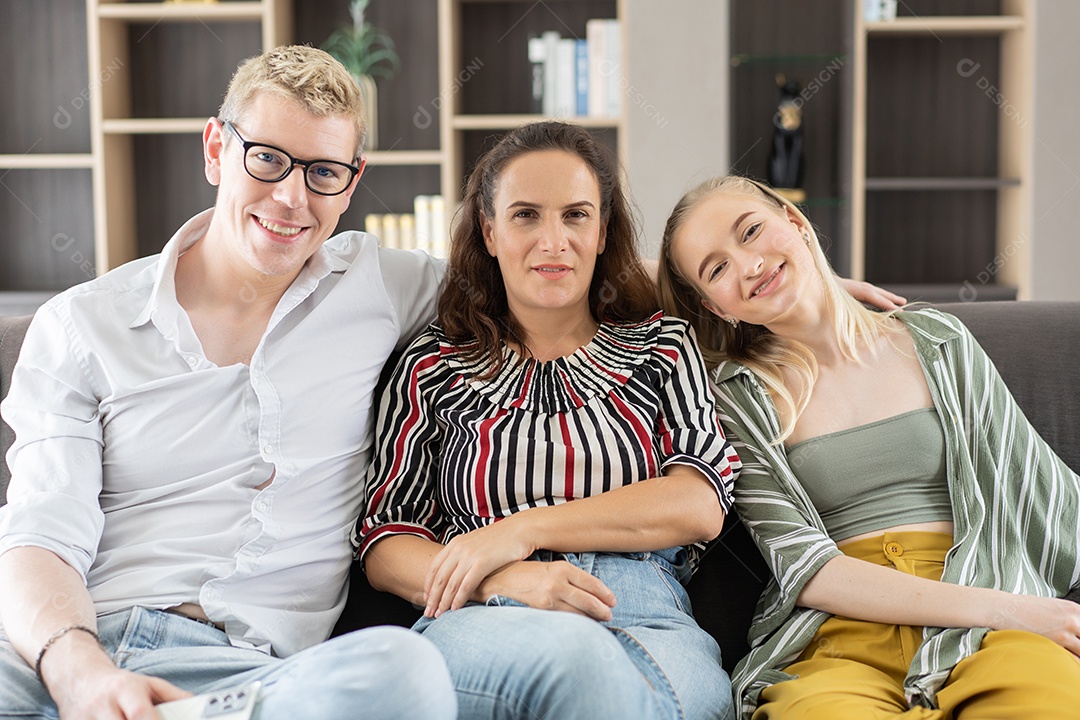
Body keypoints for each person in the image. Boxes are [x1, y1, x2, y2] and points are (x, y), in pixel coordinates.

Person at [0, 46, 456, 719]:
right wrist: (83, 675)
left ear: (351, 184)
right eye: (267, 158)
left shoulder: (383, 286)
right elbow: (41, 533)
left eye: (323, 172)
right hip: (66, 652)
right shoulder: (81, 325)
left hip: (243, 679)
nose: (292, 198)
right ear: (217, 149)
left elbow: (546, 277)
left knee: (404, 674)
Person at [353, 121, 742, 720]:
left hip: (643, 611)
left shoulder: (662, 346)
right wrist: (500, 577)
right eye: (526, 215)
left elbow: (698, 503)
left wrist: (523, 528)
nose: (553, 240)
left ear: (603, 229)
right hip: (485, 613)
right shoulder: (432, 365)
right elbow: (385, 540)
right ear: (489, 230)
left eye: (576, 215)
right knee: (580, 681)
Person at [656, 174, 1080, 720]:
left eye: (753, 231)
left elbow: (1039, 490)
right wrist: (1016, 610)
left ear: (797, 221)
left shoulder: (936, 340)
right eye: (716, 269)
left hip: (985, 616)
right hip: (841, 638)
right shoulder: (735, 402)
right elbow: (807, 571)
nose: (748, 265)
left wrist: (1018, 613)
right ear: (714, 307)